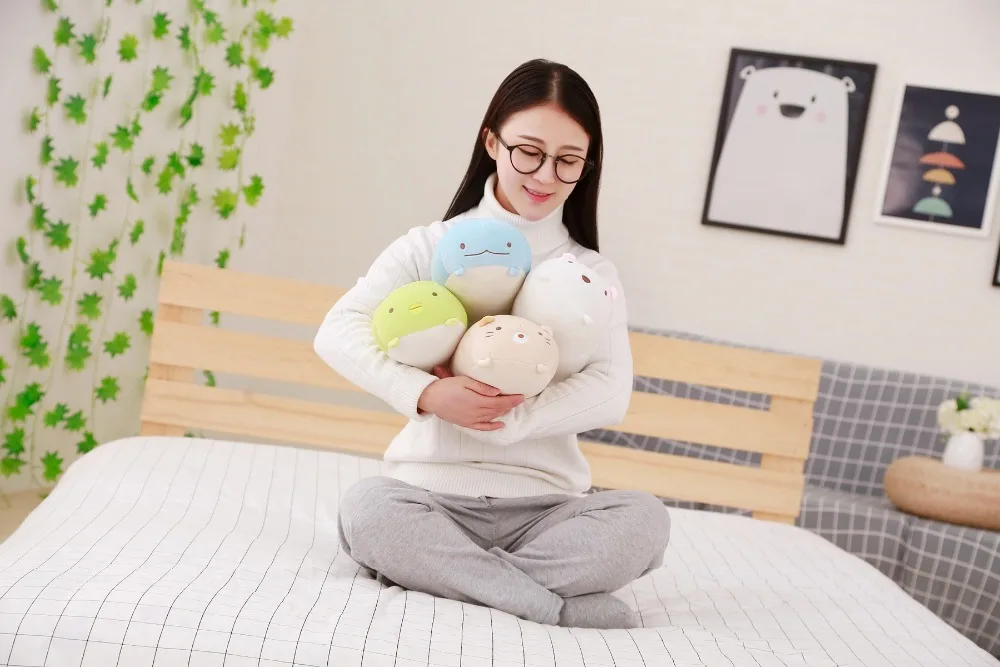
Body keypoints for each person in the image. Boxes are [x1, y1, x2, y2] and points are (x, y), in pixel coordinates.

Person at [313, 58, 670, 629]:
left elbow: (610, 390)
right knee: (367, 510)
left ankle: (456, 578)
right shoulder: (429, 245)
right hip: (429, 499)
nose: (545, 175)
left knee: (645, 521)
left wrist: (512, 421)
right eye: (528, 151)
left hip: (546, 513)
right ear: (491, 142)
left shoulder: (591, 272)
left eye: (568, 161)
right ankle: (550, 607)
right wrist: (427, 395)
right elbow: (338, 328)